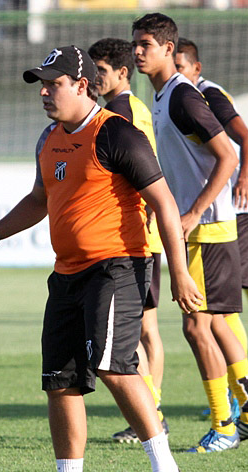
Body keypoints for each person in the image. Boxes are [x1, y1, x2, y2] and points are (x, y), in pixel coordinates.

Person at [0, 45, 201, 472]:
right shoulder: (48, 139)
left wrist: (178, 270)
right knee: (60, 382)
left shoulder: (116, 133)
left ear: (81, 86)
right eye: (42, 85)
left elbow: (163, 203)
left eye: (53, 84)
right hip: (67, 273)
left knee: (115, 367)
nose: (45, 94)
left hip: (118, 267)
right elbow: (39, 198)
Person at [132, 13, 248, 452]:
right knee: (218, 324)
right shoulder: (162, 97)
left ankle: (224, 426)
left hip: (208, 229)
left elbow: (228, 155)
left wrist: (192, 212)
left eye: (146, 44)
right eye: (135, 43)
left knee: (196, 327)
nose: (138, 51)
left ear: (169, 49)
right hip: (201, 227)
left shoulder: (182, 98)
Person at [174, 37, 248, 425]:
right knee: (218, 317)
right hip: (214, 212)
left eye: (181, 66)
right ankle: (246, 403)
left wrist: (244, 179)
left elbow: (244, 142)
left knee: (211, 318)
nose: (176, 73)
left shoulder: (205, 95)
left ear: (196, 67)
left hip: (226, 214)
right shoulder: (177, 95)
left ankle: (233, 410)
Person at [87, 37, 169, 444]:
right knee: (143, 328)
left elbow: (141, 170)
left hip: (135, 236)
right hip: (143, 234)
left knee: (140, 329)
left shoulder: (119, 112)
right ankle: (150, 410)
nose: (94, 78)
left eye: (100, 71)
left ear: (122, 73)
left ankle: (150, 411)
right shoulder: (135, 107)